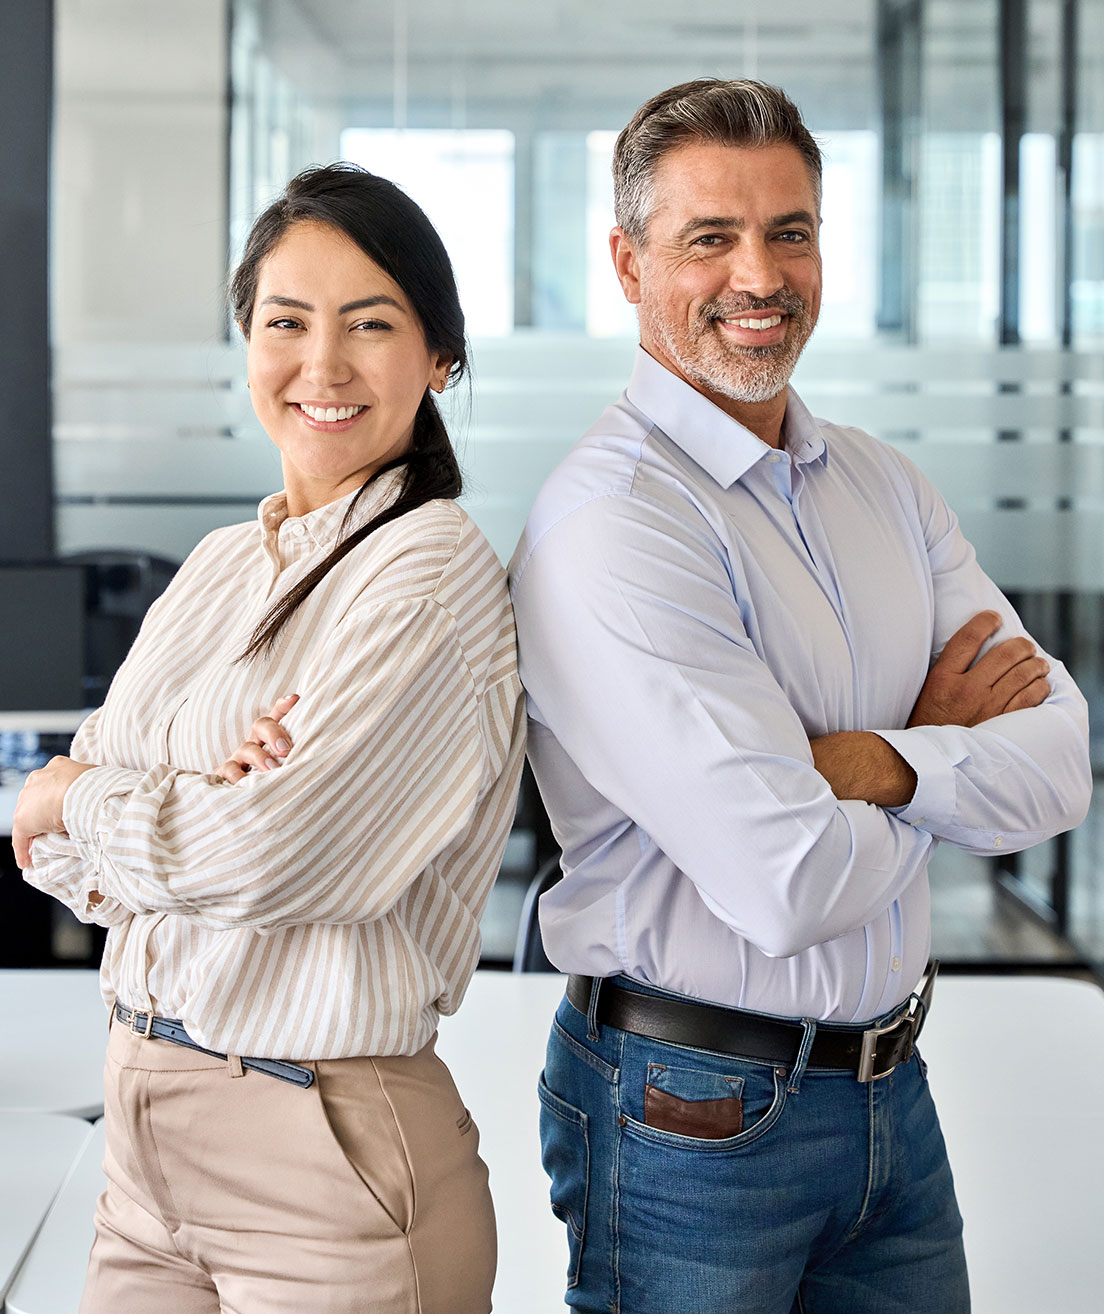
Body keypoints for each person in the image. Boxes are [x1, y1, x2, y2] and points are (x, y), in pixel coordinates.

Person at [509, 79, 1092, 1314]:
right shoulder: (613, 525)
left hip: (893, 1099)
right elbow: (787, 882)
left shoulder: (882, 486)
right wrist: (944, 745)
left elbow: (1059, 763)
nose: (759, 277)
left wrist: (871, 762)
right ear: (625, 261)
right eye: (709, 238)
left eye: (791, 231)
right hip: (689, 1118)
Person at [14, 162, 524, 1314]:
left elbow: (270, 858)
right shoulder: (219, 566)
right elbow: (45, 854)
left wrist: (92, 795)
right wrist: (182, 799)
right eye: (286, 322)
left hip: (322, 1155)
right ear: (246, 338)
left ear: (439, 358)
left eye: (371, 324)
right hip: (141, 1142)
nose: (323, 365)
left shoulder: (429, 573)